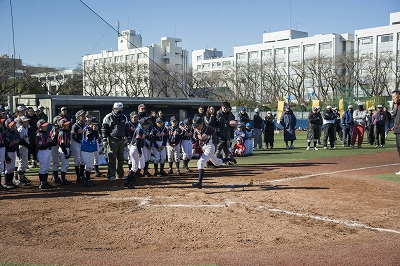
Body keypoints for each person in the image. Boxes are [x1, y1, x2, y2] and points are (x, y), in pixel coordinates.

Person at [191, 116, 236, 189]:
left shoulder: (208, 128)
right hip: (204, 148)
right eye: (195, 126)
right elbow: (196, 140)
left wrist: (226, 139)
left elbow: (217, 133)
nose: (196, 127)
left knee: (200, 162)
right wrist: (194, 148)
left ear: (202, 123)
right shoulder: (196, 130)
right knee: (217, 163)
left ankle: (199, 182)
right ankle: (229, 159)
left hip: (210, 147)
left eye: (197, 125)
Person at [101, 102, 131, 180]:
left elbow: (127, 128)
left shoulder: (124, 117)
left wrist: (129, 137)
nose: (120, 110)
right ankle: (111, 175)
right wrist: (104, 139)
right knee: (112, 157)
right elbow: (104, 129)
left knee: (121, 158)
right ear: (114, 109)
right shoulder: (108, 117)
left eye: (121, 109)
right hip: (112, 139)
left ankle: (120, 174)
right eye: (118, 109)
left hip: (122, 139)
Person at [124, 117, 152, 189]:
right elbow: (137, 142)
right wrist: (139, 152)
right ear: (142, 124)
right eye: (146, 124)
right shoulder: (139, 130)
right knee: (134, 167)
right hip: (136, 148)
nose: (147, 126)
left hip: (139, 148)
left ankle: (133, 178)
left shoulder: (142, 129)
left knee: (142, 166)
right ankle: (127, 182)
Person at [81, 117, 100, 187]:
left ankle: (87, 179)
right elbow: (89, 137)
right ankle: (87, 180)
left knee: (91, 165)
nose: (95, 126)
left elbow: (97, 137)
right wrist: (94, 131)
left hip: (91, 149)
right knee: (88, 165)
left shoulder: (93, 130)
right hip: (86, 150)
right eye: (93, 124)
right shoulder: (87, 129)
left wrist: (96, 131)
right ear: (89, 124)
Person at [36, 119, 54, 189]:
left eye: (46, 125)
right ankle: (42, 183)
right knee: (43, 168)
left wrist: (52, 143)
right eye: (44, 126)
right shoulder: (39, 134)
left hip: (48, 151)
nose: (46, 127)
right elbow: (41, 145)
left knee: (47, 168)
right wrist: (50, 143)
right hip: (42, 152)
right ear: (40, 127)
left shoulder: (47, 133)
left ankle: (45, 181)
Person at [3, 118, 20, 189]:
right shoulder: (6, 134)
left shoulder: (16, 133)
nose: (13, 126)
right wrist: (6, 155)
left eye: (14, 124)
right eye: (11, 125)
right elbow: (5, 146)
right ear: (7, 126)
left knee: (12, 168)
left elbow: (18, 142)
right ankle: (6, 183)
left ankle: (10, 182)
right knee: (8, 168)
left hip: (14, 152)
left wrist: (18, 151)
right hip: (8, 152)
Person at [71, 110, 87, 183]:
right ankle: (78, 177)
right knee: (77, 159)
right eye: (82, 116)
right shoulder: (75, 126)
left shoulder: (85, 125)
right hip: (76, 143)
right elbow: (73, 136)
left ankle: (82, 175)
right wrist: (79, 140)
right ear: (78, 117)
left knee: (83, 159)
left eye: (84, 115)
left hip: (83, 143)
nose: (84, 117)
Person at [16, 116, 32, 186]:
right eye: (25, 122)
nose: (27, 122)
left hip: (25, 147)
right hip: (22, 147)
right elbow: (20, 141)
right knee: (22, 163)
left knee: (25, 163)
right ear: (21, 123)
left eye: (27, 121)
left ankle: (22, 178)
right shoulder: (20, 129)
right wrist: (28, 145)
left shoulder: (25, 129)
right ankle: (19, 179)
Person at [57, 118, 73, 185]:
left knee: (65, 165)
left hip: (63, 149)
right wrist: (66, 153)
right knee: (65, 165)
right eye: (66, 125)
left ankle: (63, 179)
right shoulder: (62, 133)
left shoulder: (63, 132)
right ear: (62, 125)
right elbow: (62, 144)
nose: (68, 126)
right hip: (63, 149)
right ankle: (63, 180)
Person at [50, 116, 62, 183]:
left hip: (57, 146)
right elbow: (53, 139)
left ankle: (55, 176)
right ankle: (55, 177)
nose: (60, 121)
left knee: (57, 162)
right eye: (59, 120)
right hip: (54, 147)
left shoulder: (58, 128)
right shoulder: (55, 129)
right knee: (55, 162)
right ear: (55, 122)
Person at [391, 90, 400, 174]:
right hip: (397, 130)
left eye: (394, 97)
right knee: (399, 149)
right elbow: (393, 115)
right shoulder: (396, 105)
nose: (393, 98)